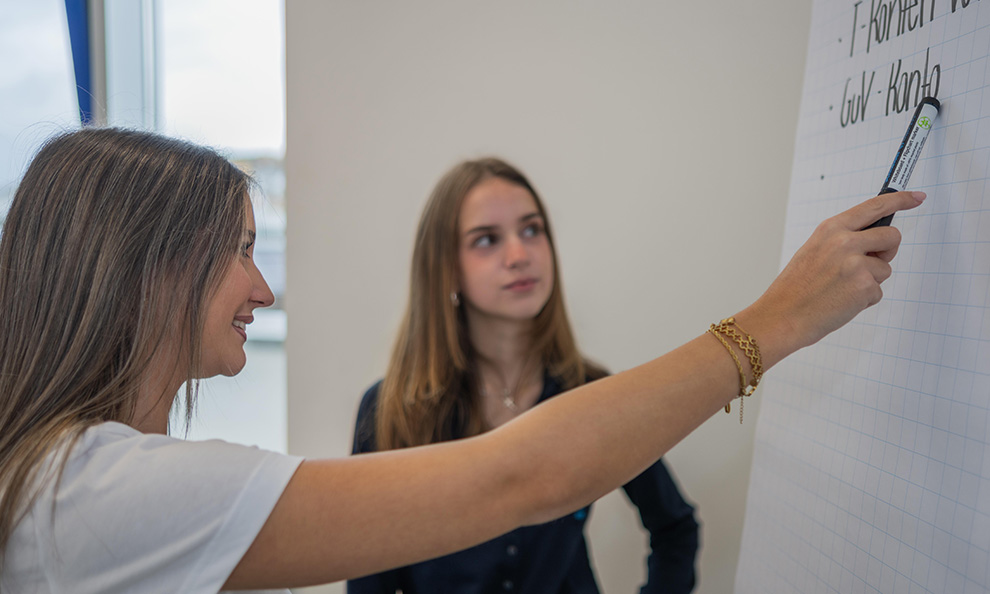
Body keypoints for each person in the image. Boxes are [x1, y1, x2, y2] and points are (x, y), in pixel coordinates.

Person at [0, 127, 924, 593]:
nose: (263, 289)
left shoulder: (70, 478)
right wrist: (778, 318)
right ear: (150, 266)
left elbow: (659, 523)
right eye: (239, 250)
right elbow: (522, 474)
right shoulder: (98, 491)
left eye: (531, 232)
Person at [348, 158, 698, 594]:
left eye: (532, 230)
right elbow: (369, 581)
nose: (519, 255)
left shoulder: (592, 395)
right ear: (446, 267)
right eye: (487, 239)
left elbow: (675, 527)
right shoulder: (389, 412)